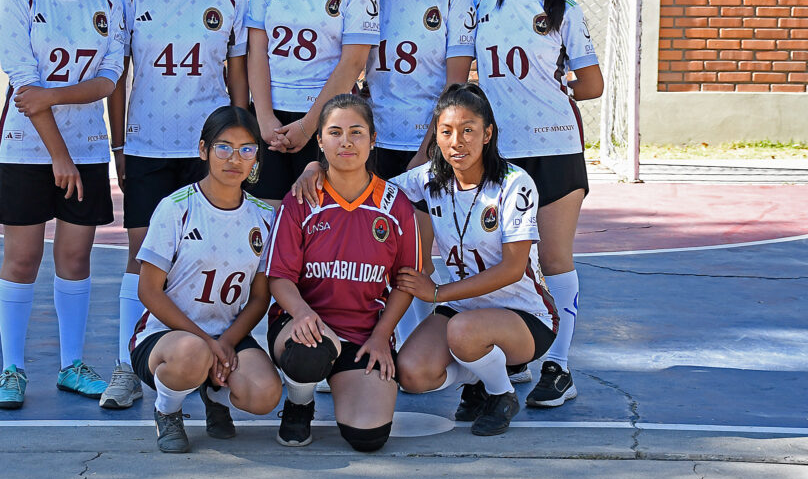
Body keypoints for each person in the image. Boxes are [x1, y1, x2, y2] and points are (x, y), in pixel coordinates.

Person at [102, 0, 250, 410]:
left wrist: (240, 144)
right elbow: (119, 77)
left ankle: (214, 363)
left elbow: (237, 83)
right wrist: (119, 143)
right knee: (142, 257)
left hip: (207, 151)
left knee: (213, 254)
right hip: (147, 147)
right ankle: (127, 363)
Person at [0, 0, 125, 409]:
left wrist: (58, 97)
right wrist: (58, 157)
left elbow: (109, 81)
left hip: (87, 148)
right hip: (26, 151)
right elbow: (25, 90)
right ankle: (12, 369)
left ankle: (71, 365)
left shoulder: (109, 4)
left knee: (75, 256)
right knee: (22, 259)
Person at [470, 0, 603, 407]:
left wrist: (552, 84)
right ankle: (520, 352)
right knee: (505, 259)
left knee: (553, 257)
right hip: (502, 155)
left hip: (555, 150)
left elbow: (592, 85)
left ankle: (559, 365)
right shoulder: (481, 4)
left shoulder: (566, 11)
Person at [392, 83, 557, 436]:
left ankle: (502, 393)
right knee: (412, 373)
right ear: (435, 136)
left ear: (487, 134)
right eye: (447, 131)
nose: (457, 141)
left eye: (468, 130)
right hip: (463, 311)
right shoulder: (428, 180)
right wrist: (317, 169)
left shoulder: (515, 183)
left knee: (463, 330)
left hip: (525, 316)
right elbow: (367, 188)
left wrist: (435, 294)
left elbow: (513, 269)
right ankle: (482, 375)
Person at [264, 94, 421, 452]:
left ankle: (340, 380)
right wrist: (303, 314)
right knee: (310, 352)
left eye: (356, 132)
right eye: (334, 132)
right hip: (303, 327)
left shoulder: (395, 204)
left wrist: (382, 335)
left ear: (373, 139)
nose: (346, 141)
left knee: (369, 437)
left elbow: (405, 282)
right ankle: (299, 402)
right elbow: (279, 277)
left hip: (363, 334)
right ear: (319, 140)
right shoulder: (302, 198)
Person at [129, 106, 281, 453]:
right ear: (203, 150)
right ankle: (167, 410)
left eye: (246, 149)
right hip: (168, 339)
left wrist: (226, 341)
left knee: (265, 394)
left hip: (225, 335)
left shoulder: (264, 216)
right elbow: (148, 290)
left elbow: (259, 298)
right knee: (193, 353)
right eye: (223, 147)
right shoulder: (176, 208)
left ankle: (215, 396)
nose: (235, 158)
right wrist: (207, 342)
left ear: (256, 156)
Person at [362, 0, 476, 347]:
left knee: (417, 252)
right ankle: (381, 340)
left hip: (429, 142)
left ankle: (419, 346)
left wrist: (428, 149)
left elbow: (454, 85)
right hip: (376, 140)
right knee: (376, 249)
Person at [246, 0, 379, 206]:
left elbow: (352, 64)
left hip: (326, 118)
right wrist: (263, 118)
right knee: (265, 219)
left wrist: (309, 127)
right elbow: (257, 51)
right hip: (271, 121)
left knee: (318, 217)